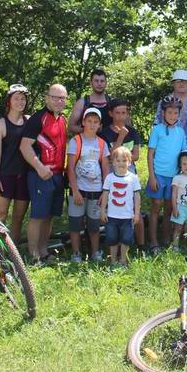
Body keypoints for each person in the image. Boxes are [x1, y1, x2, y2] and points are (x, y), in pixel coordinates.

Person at [20, 84, 68, 265]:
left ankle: (43, 251)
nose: (59, 101)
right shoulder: (37, 119)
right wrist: (39, 167)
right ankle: (33, 256)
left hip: (57, 175)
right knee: (38, 215)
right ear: (46, 98)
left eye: (62, 98)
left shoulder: (62, 119)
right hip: (40, 175)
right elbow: (24, 147)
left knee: (49, 215)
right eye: (55, 97)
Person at [66, 107, 110, 263]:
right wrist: (75, 191)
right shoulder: (75, 141)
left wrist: (105, 192)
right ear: (83, 122)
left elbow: (105, 169)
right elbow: (70, 168)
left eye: (95, 122)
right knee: (75, 224)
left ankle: (95, 252)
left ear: (99, 125)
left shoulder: (102, 144)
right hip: (78, 190)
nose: (92, 125)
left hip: (96, 191)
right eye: (89, 121)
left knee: (94, 225)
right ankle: (76, 253)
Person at [99, 99, 144, 248]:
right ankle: (113, 247)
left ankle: (141, 244)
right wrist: (120, 138)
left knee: (134, 208)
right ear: (111, 113)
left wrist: (122, 156)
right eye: (117, 113)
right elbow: (110, 158)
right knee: (114, 211)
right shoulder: (105, 133)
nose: (120, 116)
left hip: (130, 177)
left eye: (124, 113)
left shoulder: (133, 132)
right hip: (112, 177)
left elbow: (136, 155)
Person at [146, 95, 187, 254]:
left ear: (179, 114)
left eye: (175, 113)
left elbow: (184, 154)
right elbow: (150, 154)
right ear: (163, 113)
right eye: (169, 112)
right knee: (156, 206)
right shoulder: (157, 130)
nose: (172, 116)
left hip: (174, 176)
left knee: (170, 207)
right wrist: (151, 176)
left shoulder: (180, 132)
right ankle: (153, 242)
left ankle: (167, 238)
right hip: (158, 174)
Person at [0, 84, 31, 243]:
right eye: (16, 98)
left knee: (18, 217)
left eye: (23, 99)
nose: (20, 102)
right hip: (6, 174)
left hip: (25, 175)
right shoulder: (1, 123)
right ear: (9, 101)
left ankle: (13, 251)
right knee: (1, 214)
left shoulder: (29, 120)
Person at [100, 146, 141, 268]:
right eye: (118, 161)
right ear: (112, 162)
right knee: (112, 239)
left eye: (124, 160)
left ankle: (123, 260)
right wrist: (103, 211)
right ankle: (112, 261)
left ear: (130, 162)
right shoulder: (109, 178)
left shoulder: (133, 178)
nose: (121, 163)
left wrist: (137, 213)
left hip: (127, 216)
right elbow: (105, 195)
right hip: (112, 216)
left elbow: (137, 196)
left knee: (126, 239)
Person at [154, 69, 187, 150]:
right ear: (173, 84)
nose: (181, 84)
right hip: (169, 148)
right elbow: (157, 125)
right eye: (178, 81)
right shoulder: (164, 102)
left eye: (184, 81)